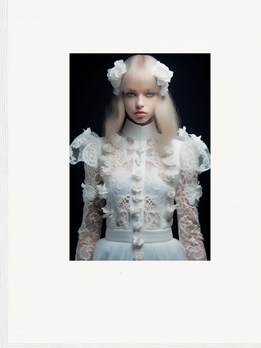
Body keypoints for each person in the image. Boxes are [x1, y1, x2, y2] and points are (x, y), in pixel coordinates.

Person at [69, 54, 211, 261]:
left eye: (149, 94)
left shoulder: (182, 151)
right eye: (131, 94)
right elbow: (90, 228)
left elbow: (190, 231)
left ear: (161, 95)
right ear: (120, 96)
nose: (139, 103)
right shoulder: (98, 149)